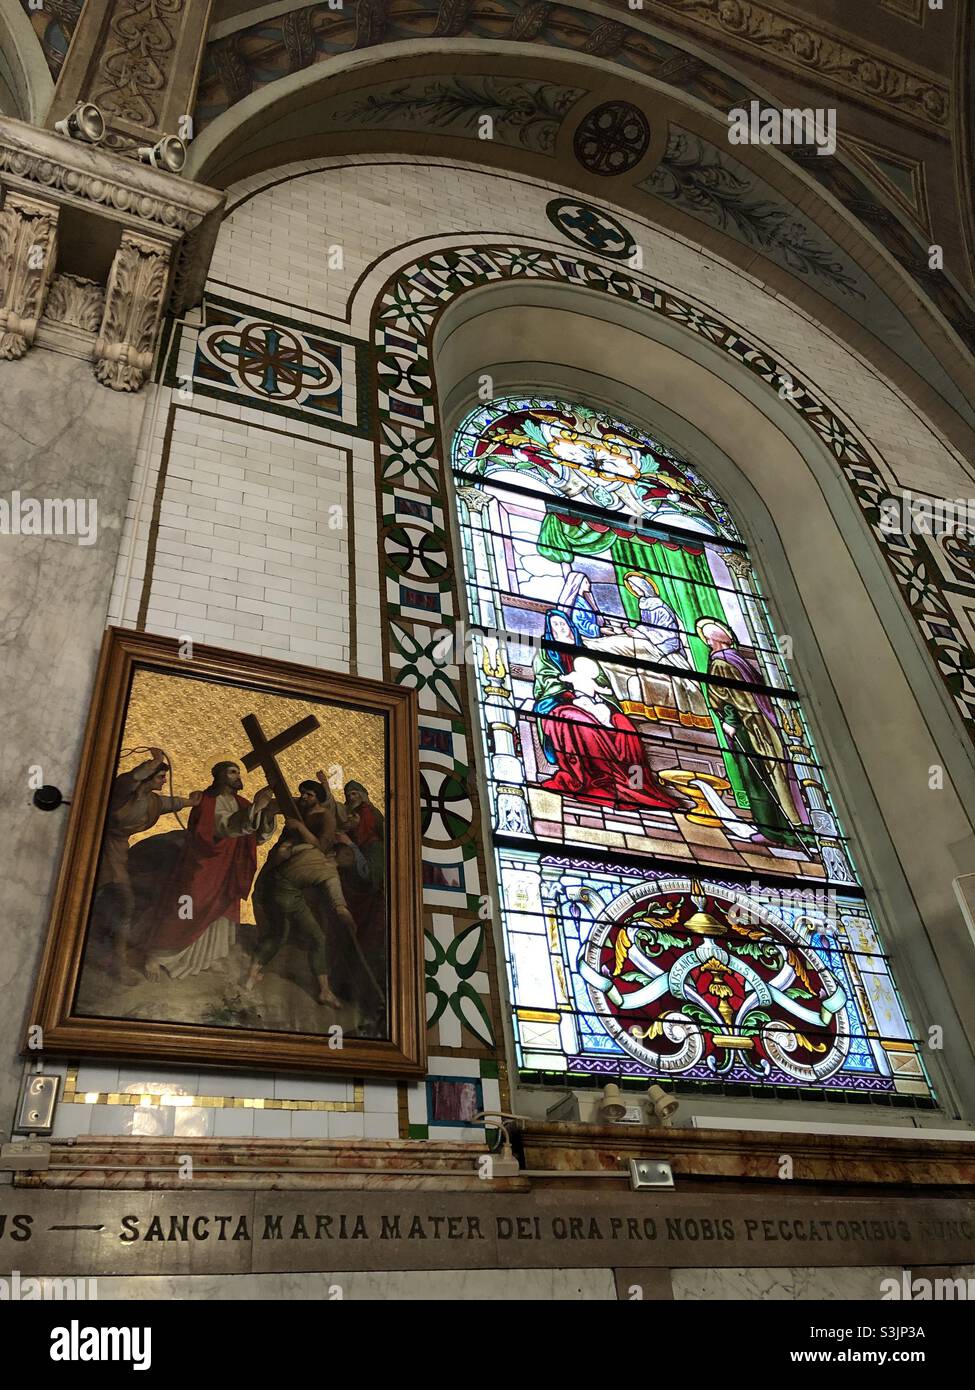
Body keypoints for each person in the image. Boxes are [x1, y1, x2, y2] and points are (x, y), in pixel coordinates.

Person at [532, 613, 688, 811]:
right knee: (580, 721)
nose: (561, 627)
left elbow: (602, 682)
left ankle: (636, 783)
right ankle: (598, 778)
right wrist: (571, 694)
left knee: (625, 726)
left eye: (563, 623)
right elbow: (546, 681)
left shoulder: (585, 651)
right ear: (550, 629)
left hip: (596, 703)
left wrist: (597, 696)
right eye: (556, 624)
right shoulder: (546, 653)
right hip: (560, 704)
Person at [142, 761, 275, 980]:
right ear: (219, 776)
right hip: (203, 864)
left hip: (228, 868)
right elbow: (221, 828)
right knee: (187, 907)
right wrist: (255, 809)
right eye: (232, 772)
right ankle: (157, 954)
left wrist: (266, 815)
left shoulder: (242, 802)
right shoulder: (206, 801)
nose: (237, 776)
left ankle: (203, 959)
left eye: (238, 772)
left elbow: (256, 837)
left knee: (220, 909)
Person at [244, 772, 357, 1007]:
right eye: (303, 793)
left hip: (289, 882)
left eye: (309, 794)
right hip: (281, 874)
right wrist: (263, 802)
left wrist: (299, 829)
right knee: (278, 922)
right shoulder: (296, 806)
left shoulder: (325, 818)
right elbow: (271, 808)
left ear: (318, 798)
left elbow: (322, 844)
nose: (304, 797)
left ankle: (257, 973)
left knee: (291, 932)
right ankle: (321, 989)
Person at [92, 748, 202, 981]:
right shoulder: (122, 792)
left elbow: (171, 803)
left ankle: (116, 960)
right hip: (95, 846)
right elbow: (131, 778)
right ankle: (112, 959)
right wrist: (156, 761)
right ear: (149, 778)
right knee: (119, 900)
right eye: (161, 777)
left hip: (118, 853)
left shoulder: (153, 802)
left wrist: (192, 802)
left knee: (123, 902)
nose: (164, 781)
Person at [696, 619, 809, 844]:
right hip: (764, 725)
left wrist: (729, 721)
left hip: (746, 728)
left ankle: (773, 831)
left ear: (714, 641)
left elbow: (726, 697)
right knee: (776, 775)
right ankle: (795, 828)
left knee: (757, 778)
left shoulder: (720, 663)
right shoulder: (740, 659)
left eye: (708, 639)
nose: (707, 642)